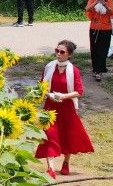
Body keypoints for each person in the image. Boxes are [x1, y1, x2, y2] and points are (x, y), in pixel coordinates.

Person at [36, 40, 93, 178]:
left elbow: (79, 91)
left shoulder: (73, 70)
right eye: (57, 51)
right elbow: (41, 86)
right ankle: (50, 168)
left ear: (69, 55)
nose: (58, 54)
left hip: (67, 108)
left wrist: (64, 96)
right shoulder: (49, 67)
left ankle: (66, 163)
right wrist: (49, 94)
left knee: (67, 137)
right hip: (50, 107)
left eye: (62, 52)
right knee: (50, 136)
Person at [85, 0, 113, 81]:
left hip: (106, 29)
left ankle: (99, 71)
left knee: (103, 50)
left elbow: (112, 11)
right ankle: (96, 69)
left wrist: (105, 5)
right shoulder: (92, 0)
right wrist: (96, 2)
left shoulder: (109, 0)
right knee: (94, 50)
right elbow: (87, 9)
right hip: (94, 29)